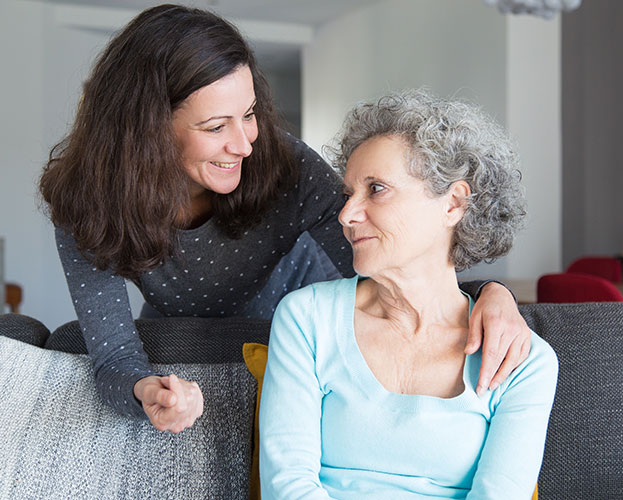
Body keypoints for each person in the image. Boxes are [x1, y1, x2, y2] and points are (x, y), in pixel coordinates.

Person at [39, 5, 530, 434]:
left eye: (249, 113)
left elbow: (399, 266)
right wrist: (147, 390)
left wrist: (490, 293)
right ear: (145, 130)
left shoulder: (285, 165)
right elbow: (114, 360)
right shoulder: (87, 202)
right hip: (181, 341)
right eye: (216, 126)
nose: (244, 143)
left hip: (293, 339)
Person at [259, 89, 558, 499]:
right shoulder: (306, 318)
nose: (346, 215)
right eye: (349, 194)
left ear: (453, 204)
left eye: (376, 189)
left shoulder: (524, 362)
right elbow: (288, 488)